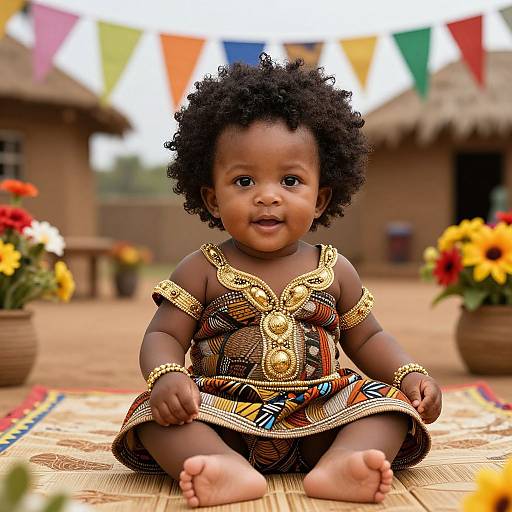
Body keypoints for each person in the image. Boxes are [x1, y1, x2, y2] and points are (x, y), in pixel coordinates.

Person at [112, 54, 441, 508]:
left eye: (290, 180)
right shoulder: (201, 267)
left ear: (321, 198)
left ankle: (345, 461)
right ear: (211, 197)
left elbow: (369, 337)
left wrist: (409, 373)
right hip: (224, 415)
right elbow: (164, 333)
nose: (268, 196)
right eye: (244, 181)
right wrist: (167, 375)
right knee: (151, 415)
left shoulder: (335, 268)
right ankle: (217, 464)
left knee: (386, 407)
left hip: (320, 415)